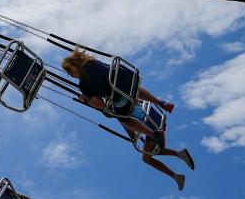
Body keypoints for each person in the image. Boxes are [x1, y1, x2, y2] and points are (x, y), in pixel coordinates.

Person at [62, 50, 195, 191]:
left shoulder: (83, 84)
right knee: (131, 94)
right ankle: (160, 103)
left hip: (137, 114)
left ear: (73, 68)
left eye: (69, 73)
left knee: (144, 152)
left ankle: (175, 167)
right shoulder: (93, 62)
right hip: (128, 86)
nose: (70, 76)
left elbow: (98, 103)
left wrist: (90, 101)